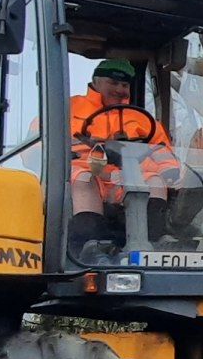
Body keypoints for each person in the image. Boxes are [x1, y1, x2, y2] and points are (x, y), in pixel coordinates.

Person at [69, 58, 182, 254]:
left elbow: (162, 151)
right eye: (113, 83)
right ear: (95, 81)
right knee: (83, 178)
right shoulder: (70, 107)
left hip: (128, 179)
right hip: (89, 173)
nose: (120, 89)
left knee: (154, 181)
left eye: (125, 85)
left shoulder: (142, 118)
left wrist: (171, 173)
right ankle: (88, 244)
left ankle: (156, 242)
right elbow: (39, 143)